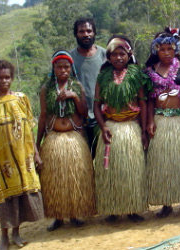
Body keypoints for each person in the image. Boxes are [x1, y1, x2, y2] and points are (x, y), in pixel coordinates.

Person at [0, 60, 44, 249]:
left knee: (20, 196)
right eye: (0, 78)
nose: (4, 81)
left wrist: (36, 153)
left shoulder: (21, 98)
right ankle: (3, 237)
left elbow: (29, 128)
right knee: (3, 197)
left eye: (7, 77)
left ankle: (16, 234)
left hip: (22, 159)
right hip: (1, 162)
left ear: (12, 78)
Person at [36, 51, 96, 231]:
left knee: (75, 178)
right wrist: (36, 145)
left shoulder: (77, 86)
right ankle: (58, 216)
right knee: (56, 181)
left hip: (74, 139)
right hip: (53, 139)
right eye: (59, 67)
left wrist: (74, 96)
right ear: (53, 69)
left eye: (66, 67)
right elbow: (43, 116)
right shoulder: (46, 89)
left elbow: (85, 113)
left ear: (71, 68)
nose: (63, 70)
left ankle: (76, 213)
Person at [93, 35, 149, 223]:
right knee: (111, 172)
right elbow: (96, 105)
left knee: (131, 171)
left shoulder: (136, 74)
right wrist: (103, 127)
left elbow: (142, 101)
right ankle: (113, 209)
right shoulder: (102, 77)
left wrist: (142, 130)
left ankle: (132, 208)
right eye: (114, 54)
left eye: (122, 54)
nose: (118, 58)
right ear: (108, 57)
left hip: (131, 128)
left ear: (129, 55)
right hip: (111, 128)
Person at [145, 28, 180, 218]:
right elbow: (150, 99)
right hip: (161, 119)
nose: (167, 52)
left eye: (170, 48)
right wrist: (150, 120)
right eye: (162, 49)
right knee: (163, 162)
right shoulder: (150, 71)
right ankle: (166, 203)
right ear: (156, 50)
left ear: (175, 49)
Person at [69, 18, 106, 155]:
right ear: (76, 34)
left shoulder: (105, 55)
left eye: (89, 31)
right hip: (79, 120)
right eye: (81, 31)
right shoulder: (69, 59)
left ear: (94, 33)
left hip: (103, 118)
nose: (86, 34)